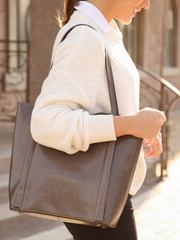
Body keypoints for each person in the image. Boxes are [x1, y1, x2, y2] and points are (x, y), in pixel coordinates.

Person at [30, 0, 166, 239]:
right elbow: (46, 123)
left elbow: (101, 105)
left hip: (107, 186)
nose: (147, 4)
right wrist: (130, 125)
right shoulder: (86, 36)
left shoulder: (104, 32)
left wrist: (139, 127)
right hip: (95, 189)